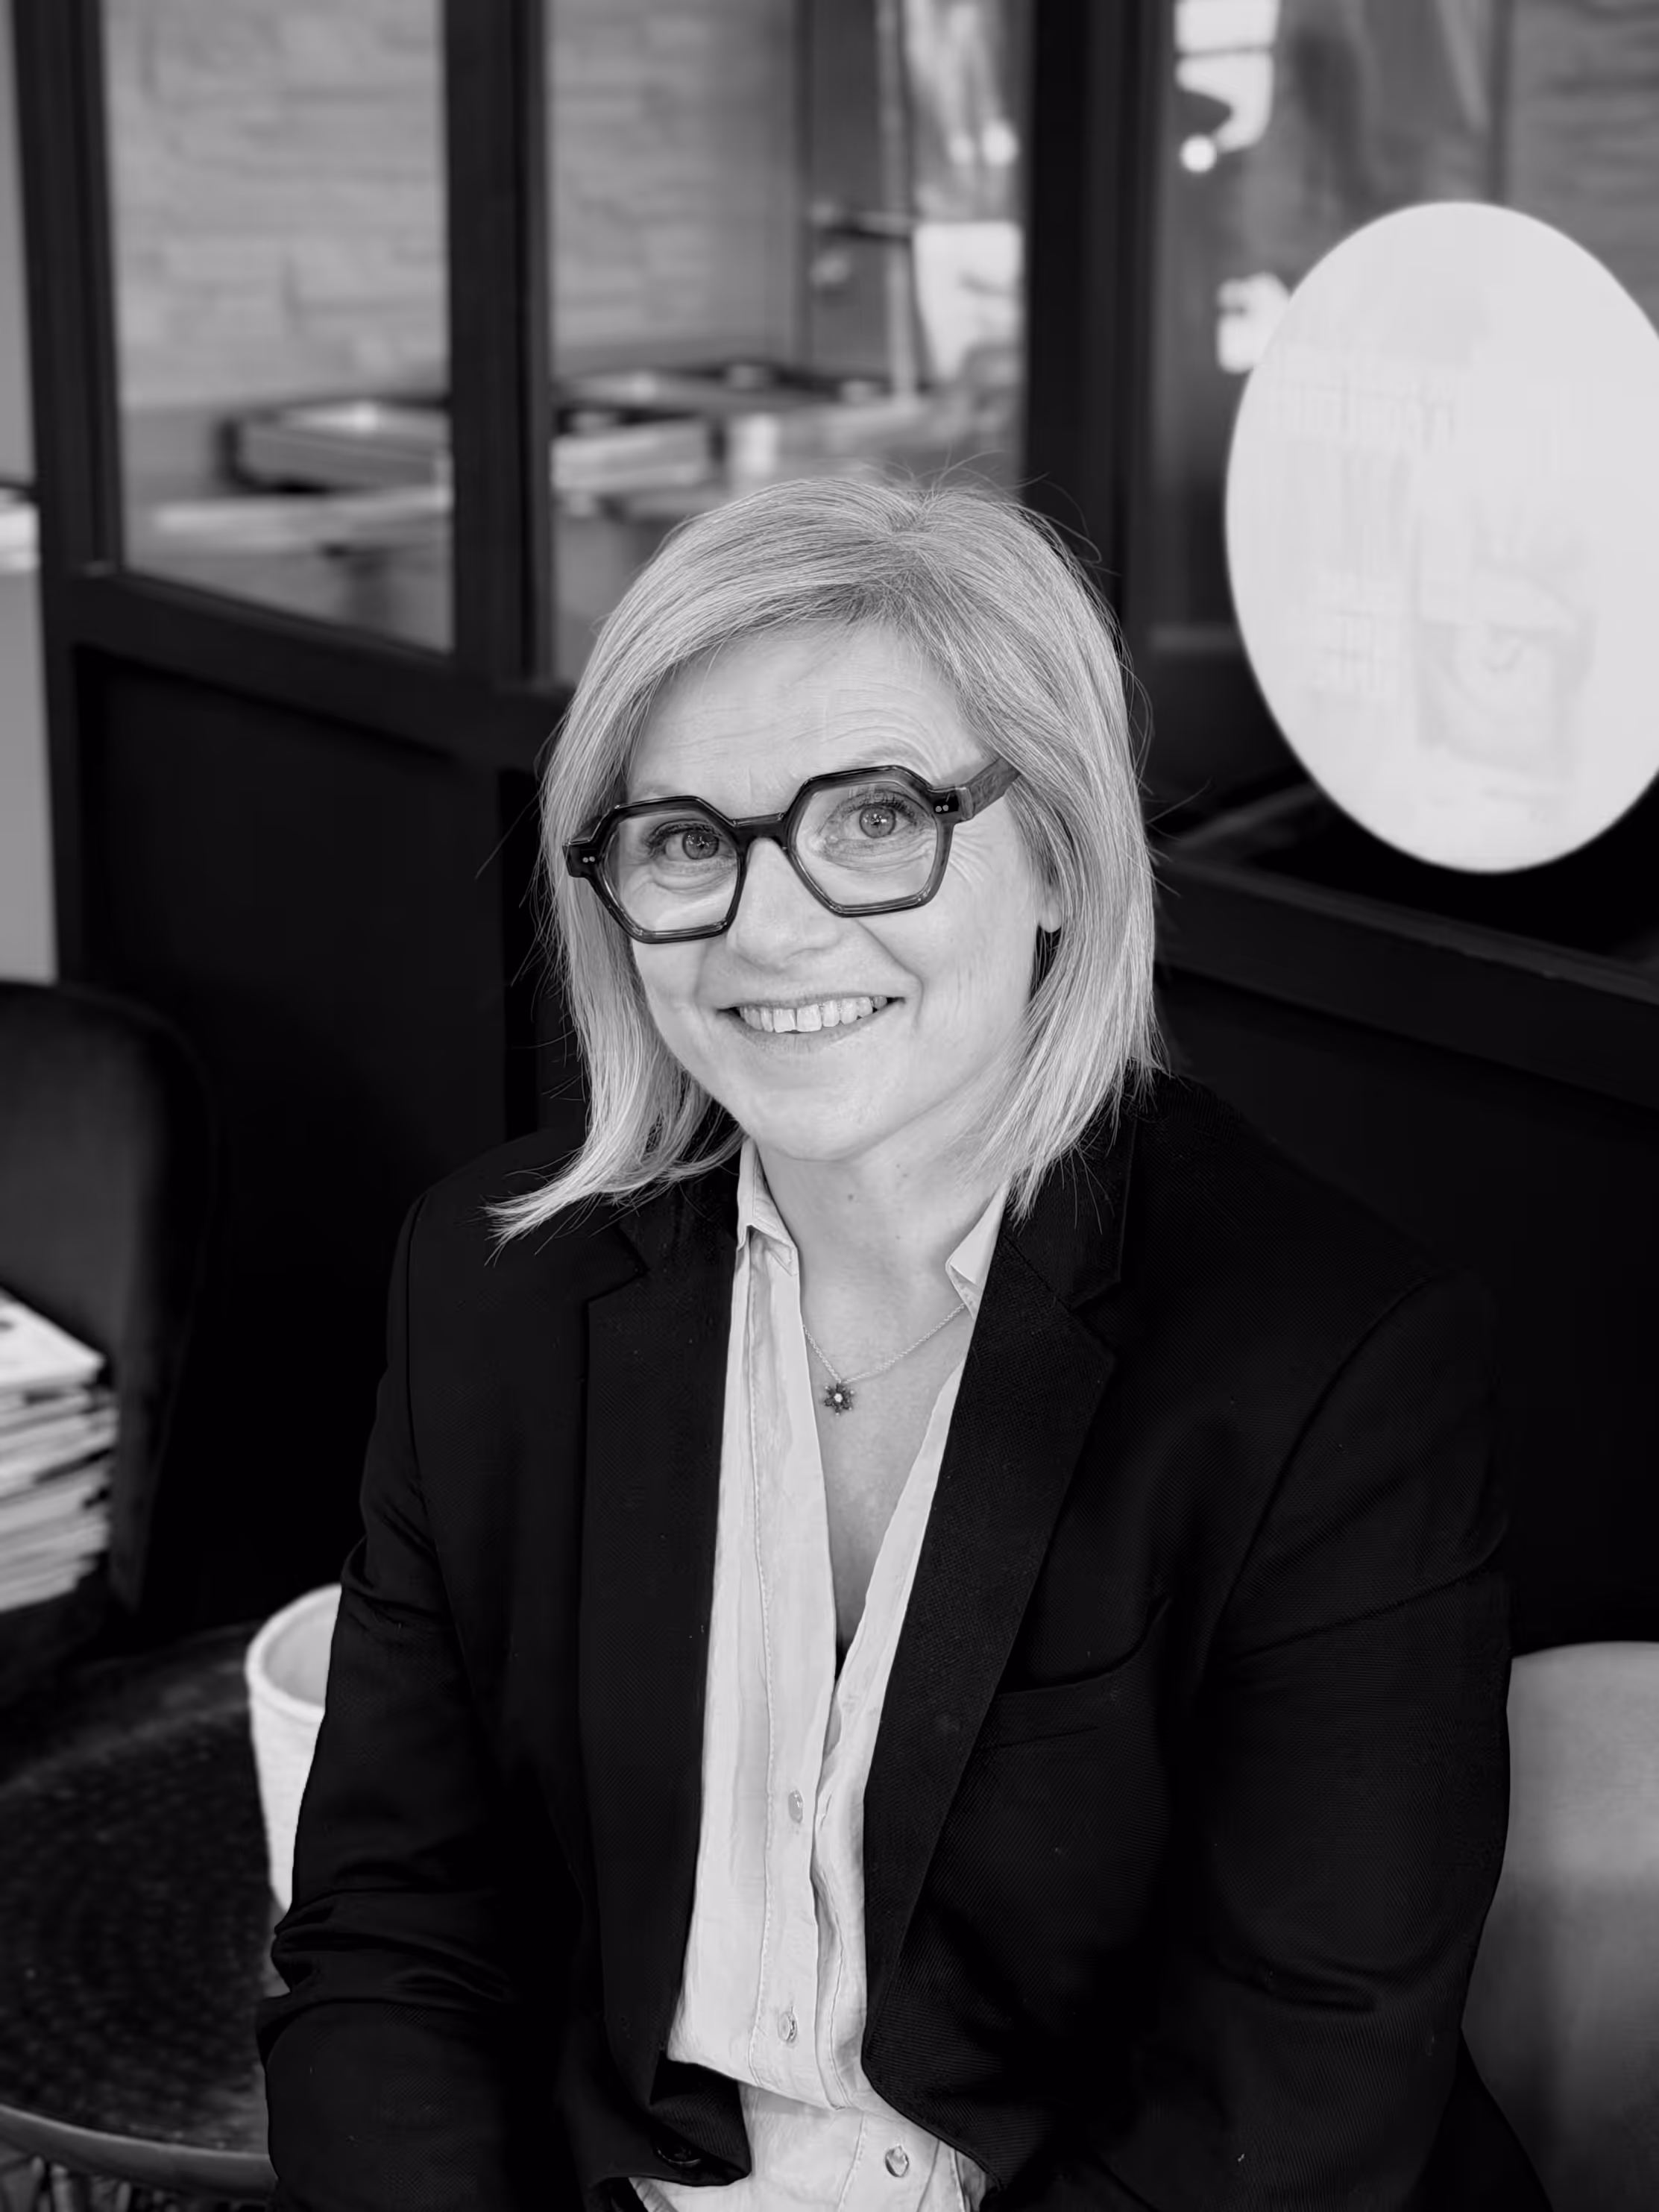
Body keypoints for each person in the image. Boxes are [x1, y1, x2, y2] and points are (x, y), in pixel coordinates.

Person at [255, 476, 1549, 2211]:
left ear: (1057, 860)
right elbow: (392, 1930)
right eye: (686, 839)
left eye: (874, 818)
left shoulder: (1331, 1366)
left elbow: (1290, 2087)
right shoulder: (499, 1288)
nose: (769, 926)